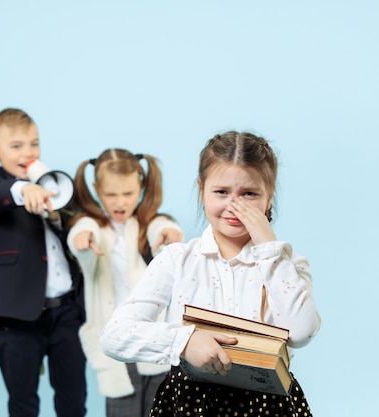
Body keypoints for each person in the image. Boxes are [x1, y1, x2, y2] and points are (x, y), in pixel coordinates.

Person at [99, 131, 321, 417]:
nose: (234, 205)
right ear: (201, 190)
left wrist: (268, 247)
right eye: (221, 192)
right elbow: (114, 335)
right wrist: (184, 342)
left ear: (269, 196)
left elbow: (301, 332)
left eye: (249, 194)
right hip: (191, 403)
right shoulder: (176, 260)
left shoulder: (289, 264)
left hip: (268, 404)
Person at [0, 108, 87, 417]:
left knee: (73, 400)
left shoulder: (55, 184)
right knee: (23, 404)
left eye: (34, 144)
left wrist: (57, 215)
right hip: (19, 319)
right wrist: (24, 190)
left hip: (67, 312)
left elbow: (79, 220)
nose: (28, 153)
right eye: (16, 146)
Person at [67, 149, 183, 417]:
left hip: (155, 339)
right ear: (96, 189)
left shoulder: (149, 225)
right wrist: (82, 239)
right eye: (111, 195)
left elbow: (159, 228)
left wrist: (168, 233)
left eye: (128, 194)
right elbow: (83, 233)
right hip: (118, 342)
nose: (120, 203)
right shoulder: (93, 228)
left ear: (141, 186)